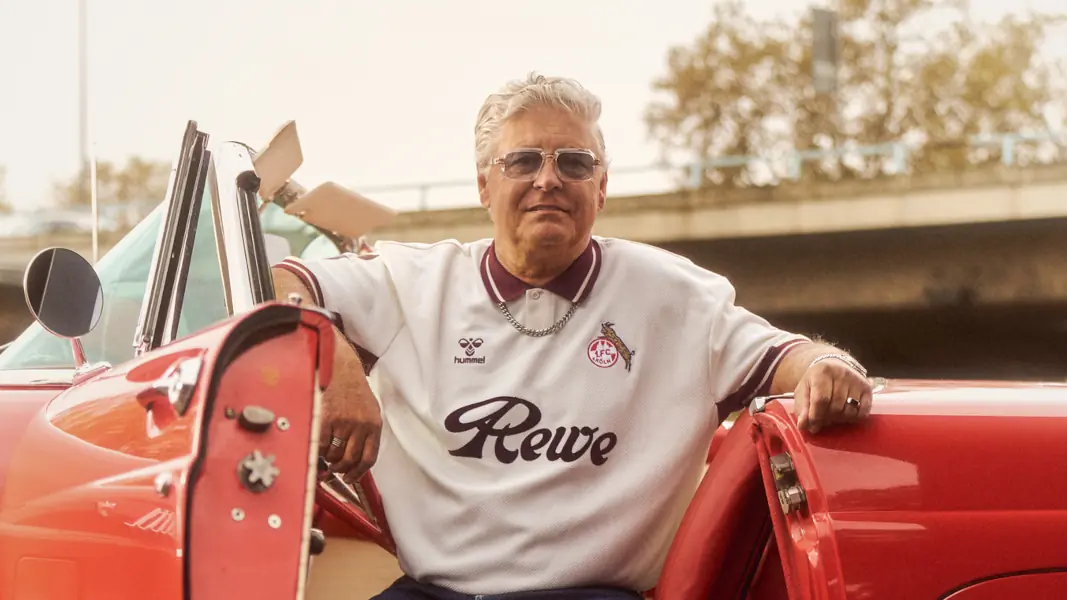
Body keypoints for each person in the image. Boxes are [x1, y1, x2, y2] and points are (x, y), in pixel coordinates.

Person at [272, 72, 873, 600]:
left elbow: (786, 357)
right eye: (524, 161)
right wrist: (335, 359)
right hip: (433, 592)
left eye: (574, 163)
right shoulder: (414, 281)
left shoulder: (673, 295)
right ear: (485, 185)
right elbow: (278, 282)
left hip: (589, 596)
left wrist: (830, 364)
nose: (549, 179)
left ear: (601, 187)